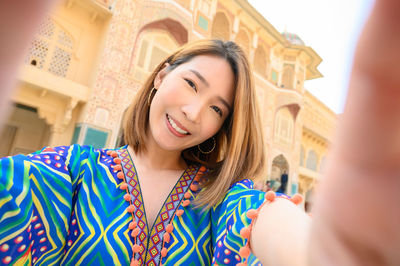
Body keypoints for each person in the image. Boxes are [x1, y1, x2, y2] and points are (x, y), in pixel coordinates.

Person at [1, 0, 400, 265]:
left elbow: (268, 221)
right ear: (160, 74)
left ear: (221, 127)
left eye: (216, 109)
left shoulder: (220, 199)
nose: (193, 113)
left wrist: (324, 254)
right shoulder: (73, 173)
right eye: (191, 84)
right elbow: (15, 192)